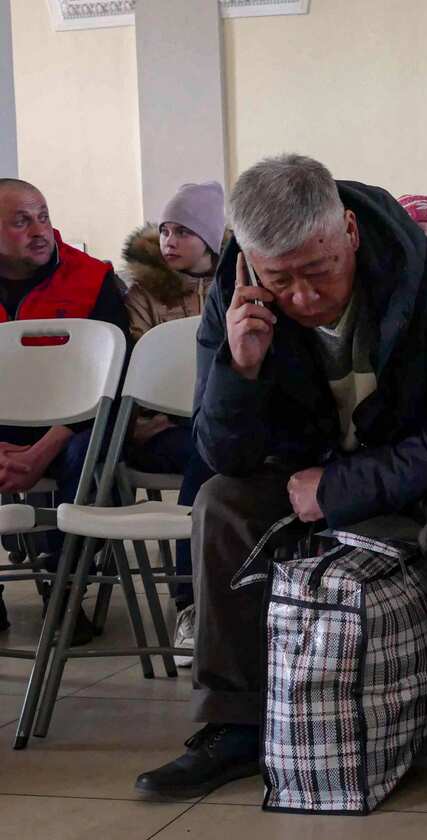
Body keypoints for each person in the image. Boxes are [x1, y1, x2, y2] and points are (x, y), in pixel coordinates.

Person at [134, 154, 427, 812]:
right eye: (280, 279)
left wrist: (338, 486)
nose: (302, 297)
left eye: (318, 271)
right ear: (248, 261)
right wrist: (236, 370)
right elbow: (222, 453)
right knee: (221, 503)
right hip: (307, 469)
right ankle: (234, 721)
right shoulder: (234, 293)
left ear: (351, 232)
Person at [0, 178, 130, 643]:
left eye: (43, 217)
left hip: (76, 428)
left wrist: (40, 450)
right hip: (5, 430)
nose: (39, 231)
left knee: (82, 457)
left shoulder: (92, 278)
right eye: (21, 221)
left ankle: (66, 593)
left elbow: (113, 383)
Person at [121, 180, 226, 664]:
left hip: (219, 422)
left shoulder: (238, 283)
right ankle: (190, 606)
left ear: (209, 237)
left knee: (222, 450)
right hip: (159, 430)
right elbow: (135, 363)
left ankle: (239, 599)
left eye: (183, 230)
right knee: (207, 455)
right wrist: (150, 414)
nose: (169, 240)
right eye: (164, 230)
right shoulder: (143, 293)